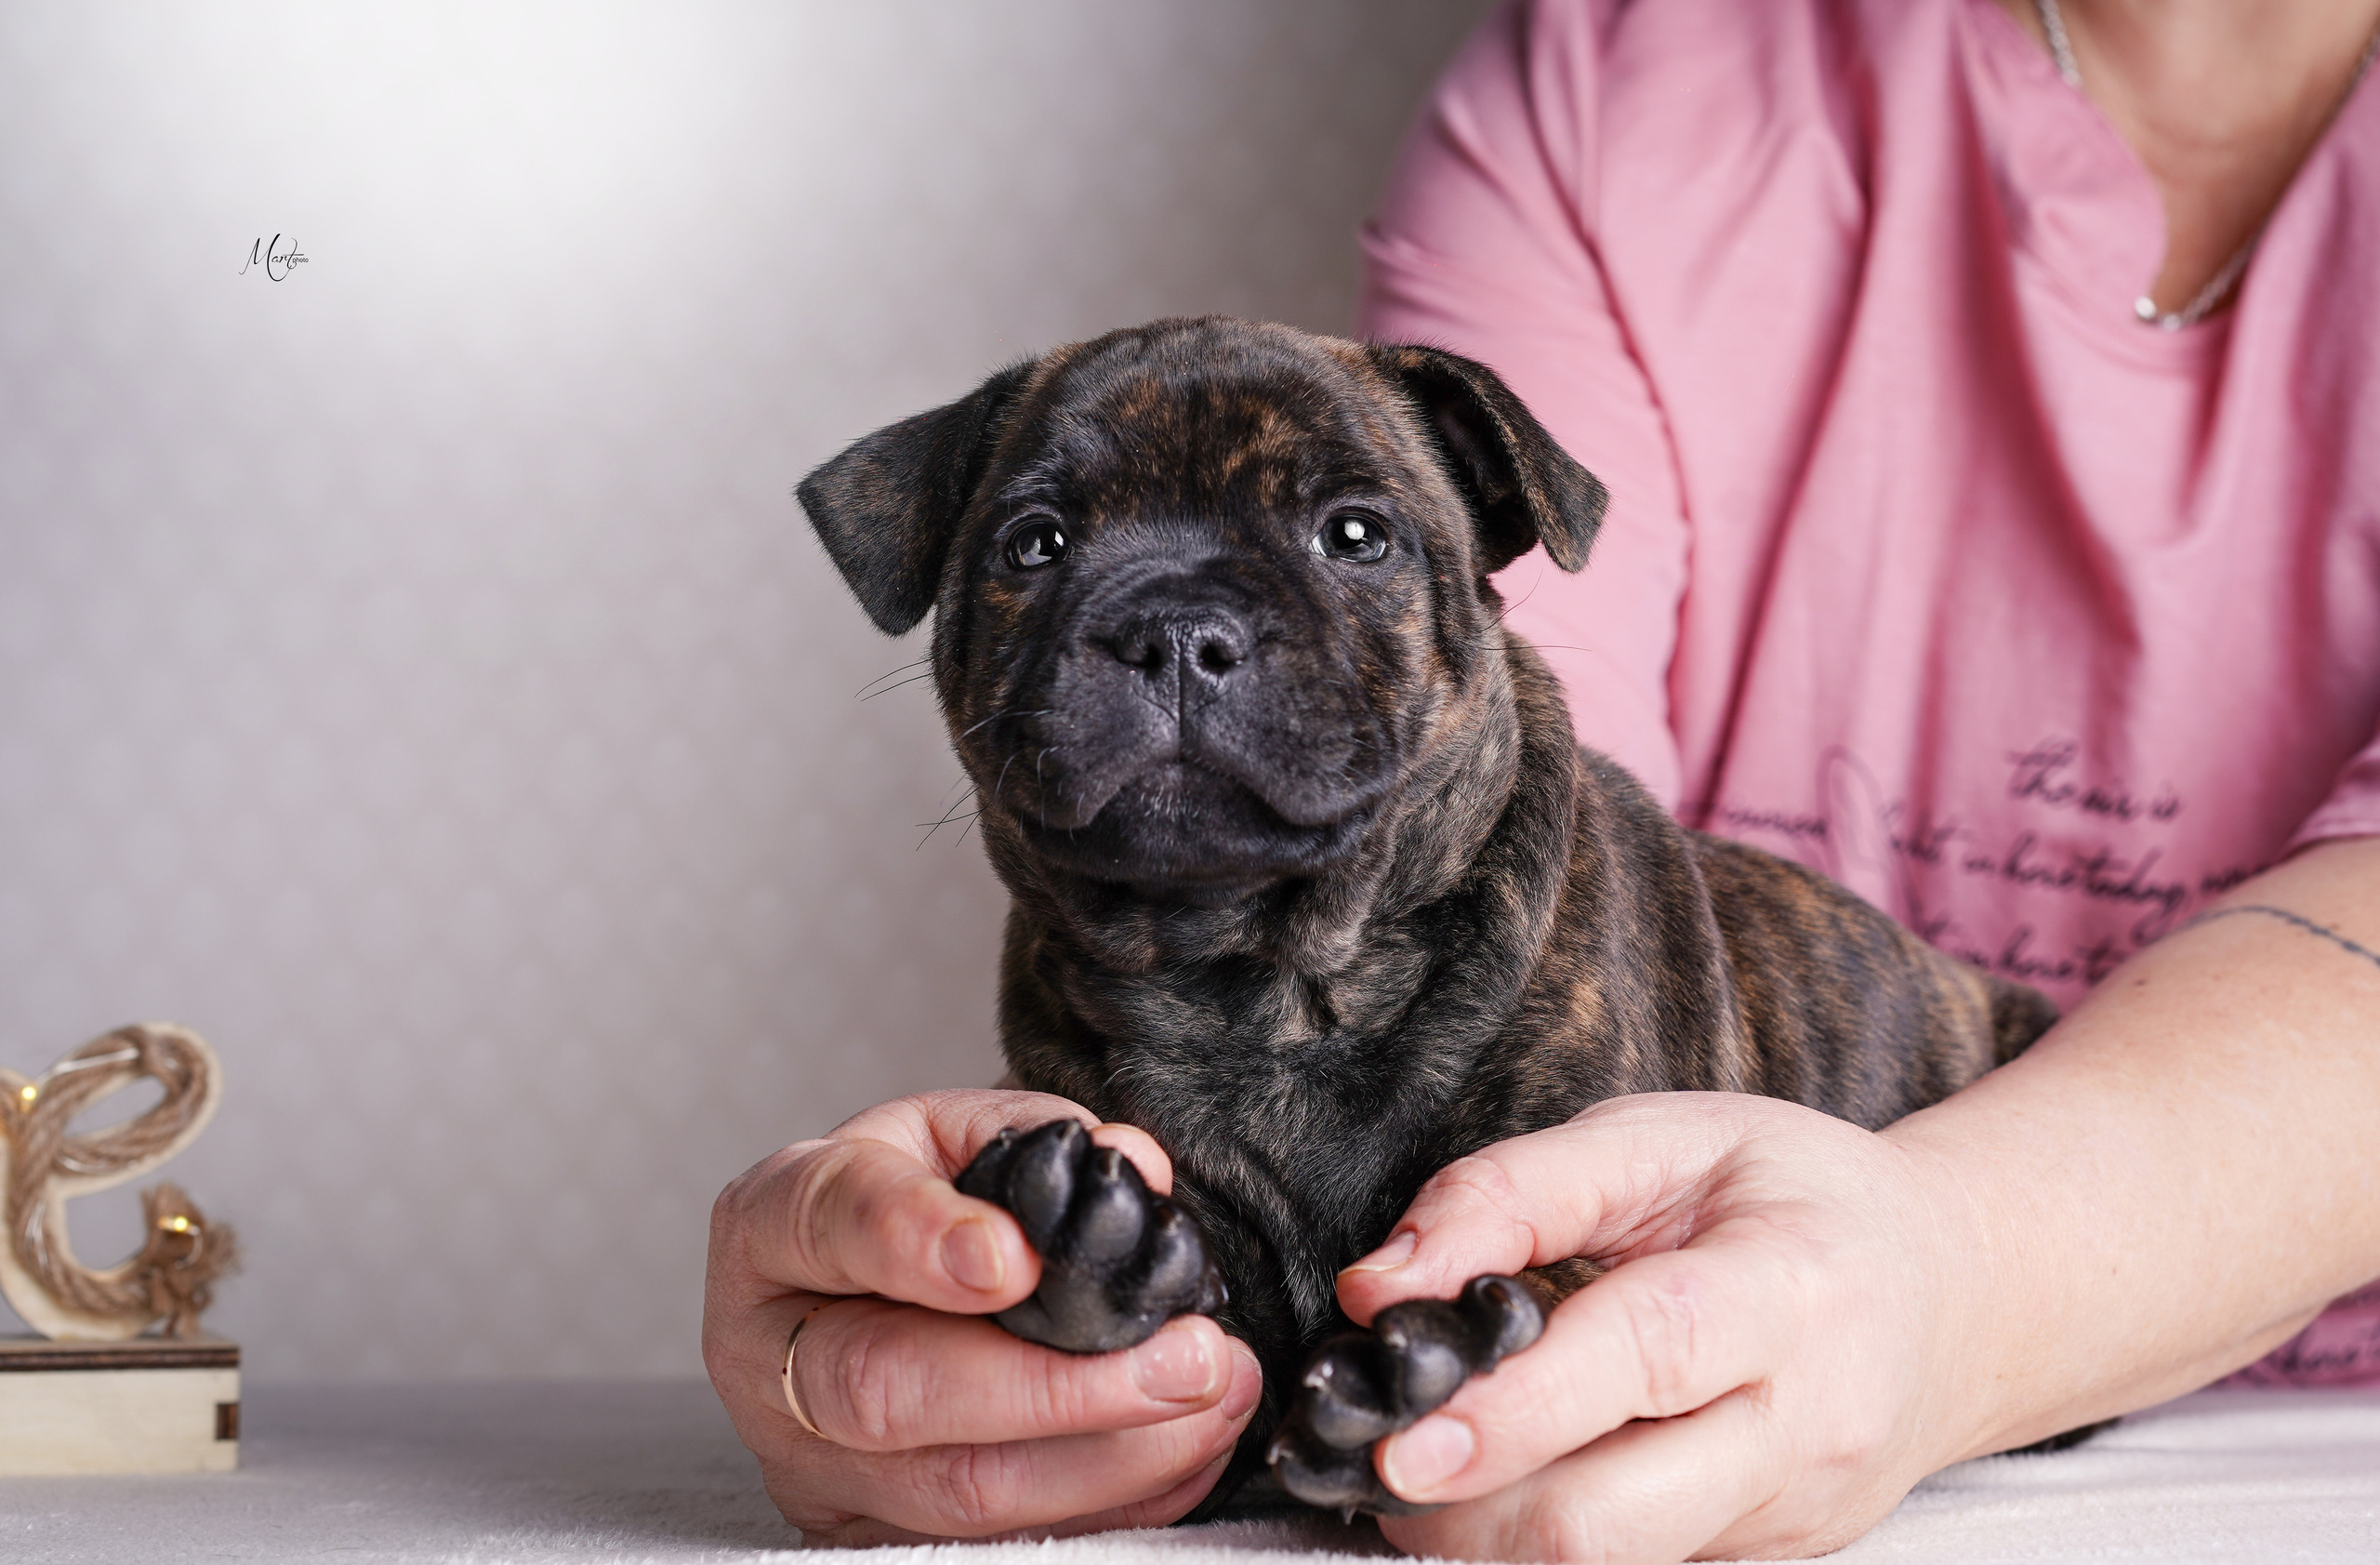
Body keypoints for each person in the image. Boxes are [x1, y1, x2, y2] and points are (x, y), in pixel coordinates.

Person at [703, 1, 2380, 1558]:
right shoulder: (1627, 67)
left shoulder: (1581, 937)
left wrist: (1953, 1282)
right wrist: (1008, 1294)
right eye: (1045, 544)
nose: (1185, 638)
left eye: (1349, 535)